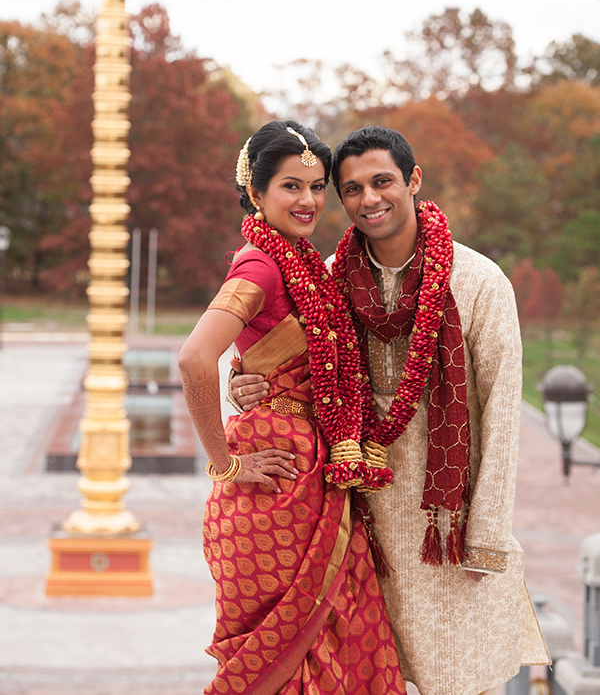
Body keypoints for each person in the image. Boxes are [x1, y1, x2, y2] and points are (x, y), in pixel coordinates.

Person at [232, 126, 550, 695]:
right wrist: (243, 383)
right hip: (355, 520)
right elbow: (282, 357)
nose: (368, 199)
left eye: (382, 182)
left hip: (445, 530)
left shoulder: (477, 282)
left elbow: (503, 414)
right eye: (351, 189)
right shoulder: (327, 278)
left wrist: (487, 535)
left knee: (454, 676)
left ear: (414, 181)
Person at [179, 120, 406, 695]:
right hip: (277, 488)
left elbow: (258, 348)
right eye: (290, 186)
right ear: (256, 193)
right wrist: (224, 461)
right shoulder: (260, 265)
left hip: (315, 474)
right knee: (294, 655)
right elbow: (193, 359)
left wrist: (243, 372)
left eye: (316, 186)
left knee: (334, 640)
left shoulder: (303, 262)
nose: (308, 201)